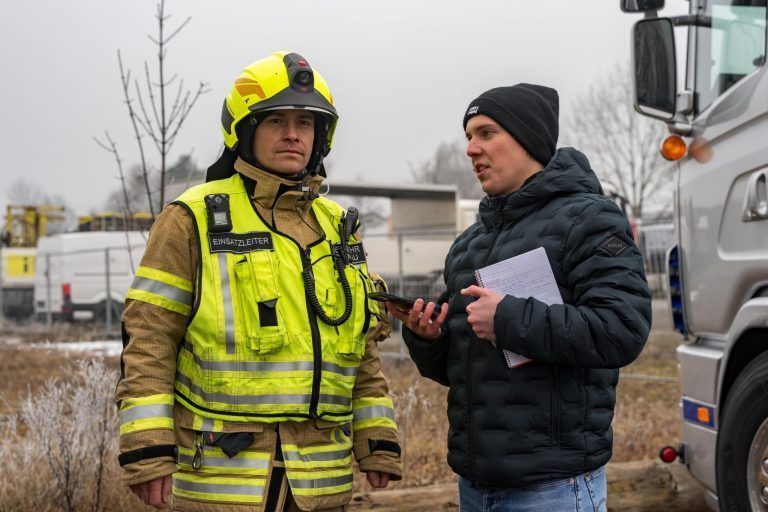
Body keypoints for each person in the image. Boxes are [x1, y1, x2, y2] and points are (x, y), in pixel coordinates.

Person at [115, 51, 402, 512]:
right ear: (245, 131)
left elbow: (361, 346)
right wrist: (147, 448)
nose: (293, 134)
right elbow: (148, 338)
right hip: (223, 481)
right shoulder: (192, 219)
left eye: (306, 123)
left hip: (321, 481)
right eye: (276, 121)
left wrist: (377, 437)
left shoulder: (339, 226)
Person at [390, 84, 652, 511]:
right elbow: (463, 371)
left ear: (528, 138)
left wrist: (509, 319)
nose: (471, 149)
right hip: (475, 485)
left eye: (486, 133)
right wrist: (429, 337)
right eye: (469, 137)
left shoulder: (589, 219)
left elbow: (623, 331)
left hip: (554, 488)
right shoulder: (468, 244)